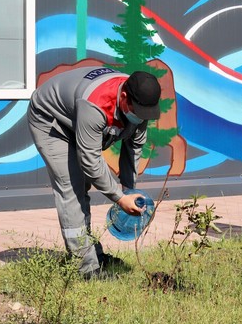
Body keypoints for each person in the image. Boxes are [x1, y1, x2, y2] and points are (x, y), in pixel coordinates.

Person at [27, 66, 162, 278]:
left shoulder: (140, 104)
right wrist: (118, 198)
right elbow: (90, 161)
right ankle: (86, 269)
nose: (142, 118)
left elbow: (133, 148)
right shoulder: (96, 105)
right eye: (138, 112)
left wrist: (128, 189)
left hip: (77, 114)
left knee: (83, 186)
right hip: (51, 120)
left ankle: (93, 254)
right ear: (124, 97)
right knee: (73, 188)